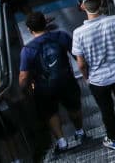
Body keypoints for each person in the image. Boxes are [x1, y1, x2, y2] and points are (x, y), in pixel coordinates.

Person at [72, 0, 115, 152]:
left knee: (106, 110)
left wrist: (86, 78)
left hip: (97, 79)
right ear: (100, 2)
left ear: (82, 7)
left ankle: (114, 140)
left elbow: (80, 64)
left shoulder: (78, 33)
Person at [19, 12, 87, 155]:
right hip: (66, 80)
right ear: (46, 23)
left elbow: (24, 76)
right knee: (73, 106)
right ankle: (80, 132)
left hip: (44, 87)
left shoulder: (27, 50)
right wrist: (86, 73)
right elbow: (77, 55)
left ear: (30, 30)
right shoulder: (61, 36)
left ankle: (62, 141)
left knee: (50, 113)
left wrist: (22, 90)